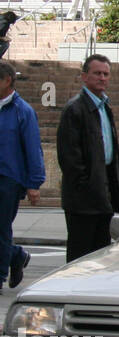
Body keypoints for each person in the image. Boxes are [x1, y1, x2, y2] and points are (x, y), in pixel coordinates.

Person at [56, 54, 119, 263]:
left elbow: (110, 152)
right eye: (97, 73)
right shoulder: (75, 108)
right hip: (83, 198)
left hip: (103, 194)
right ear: (84, 77)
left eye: (106, 74)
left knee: (100, 256)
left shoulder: (104, 106)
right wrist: (85, 186)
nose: (102, 78)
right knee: (80, 256)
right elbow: (70, 158)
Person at [0, 62, 43, 290]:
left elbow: (33, 147)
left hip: (9, 178)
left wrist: (34, 183)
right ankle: (16, 255)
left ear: (7, 81)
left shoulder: (22, 111)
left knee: (1, 227)